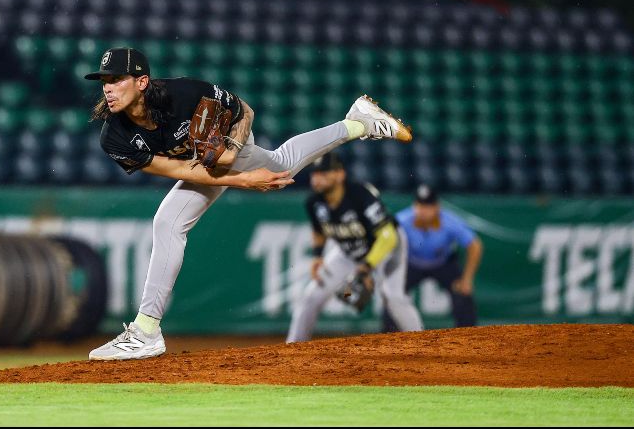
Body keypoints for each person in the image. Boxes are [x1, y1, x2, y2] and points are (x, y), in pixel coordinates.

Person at [83, 47, 413, 360]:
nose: (108, 88)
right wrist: (241, 179)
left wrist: (231, 151)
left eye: (116, 79)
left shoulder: (181, 94)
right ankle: (146, 330)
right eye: (104, 82)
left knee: (281, 163)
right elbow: (182, 170)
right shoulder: (114, 136)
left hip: (231, 141)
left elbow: (245, 111)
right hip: (202, 165)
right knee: (169, 222)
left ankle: (359, 123)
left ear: (142, 82)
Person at [286, 152, 423, 343]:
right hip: (349, 252)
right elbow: (319, 231)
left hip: (387, 248)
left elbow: (388, 235)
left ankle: (422, 343)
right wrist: (318, 256)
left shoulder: (359, 195)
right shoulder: (314, 203)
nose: (317, 178)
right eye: (315, 173)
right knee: (311, 296)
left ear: (340, 174)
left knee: (393, 296)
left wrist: (366, 268)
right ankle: (293, 348)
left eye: (324, 173)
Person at [383, 184, 483, 331]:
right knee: (392, 296)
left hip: (443, 263)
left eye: (428, 206)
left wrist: (467, 279)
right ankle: (389, 339)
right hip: (411, 263)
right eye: (419, 205)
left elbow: (475, 246)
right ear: (414, 205)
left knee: (463, 293)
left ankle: (467, 337)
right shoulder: (402, 221)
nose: (423, 211)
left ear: (437, 207)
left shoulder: (449, 222)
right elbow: (384, 243)